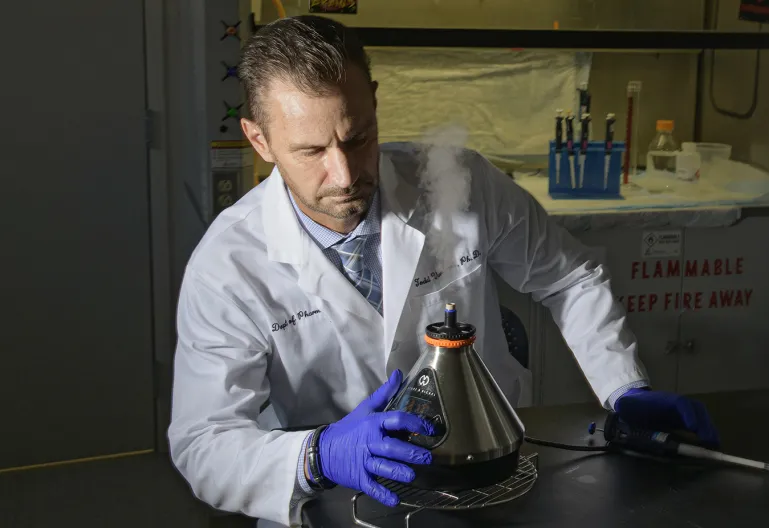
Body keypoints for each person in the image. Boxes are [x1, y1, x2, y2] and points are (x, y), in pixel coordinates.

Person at [167, 15, 719, 527]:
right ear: (259, 140)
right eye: (311, 150)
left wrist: (624, 386)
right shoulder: (230, 265)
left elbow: (568, 278)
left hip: (493, 482)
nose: (343, 173)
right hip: (336, 502)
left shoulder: (458, 181)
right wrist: (319, 454)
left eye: (357, 137)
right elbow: (202, 443)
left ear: (376, 103)